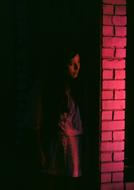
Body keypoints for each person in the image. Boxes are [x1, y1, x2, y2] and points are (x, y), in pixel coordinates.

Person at [36, 45, 83, 190]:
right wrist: (41, 150)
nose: (76, 67)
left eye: (78, 63)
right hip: (59, 144)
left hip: (73, 146)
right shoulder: (54, 90)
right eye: (71, 63)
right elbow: (42, 122)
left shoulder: (78, 89)